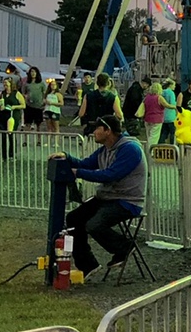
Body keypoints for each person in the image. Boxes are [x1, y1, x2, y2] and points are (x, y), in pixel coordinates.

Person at [53, 115, 146, 277]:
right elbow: (86, 164)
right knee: (74, 219)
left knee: (94, 225)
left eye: (97, 128)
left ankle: (124, 247)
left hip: (127, 201)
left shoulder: (130, 149)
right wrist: (66, 157)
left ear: (108, 131)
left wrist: (78, 173)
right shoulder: (105, 149)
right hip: (108, 198)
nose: (93, 132)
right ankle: (87, 265)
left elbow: (110, 175)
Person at [0, 76, 25, 159]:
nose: (5, 84)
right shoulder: (2, 93)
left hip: (12, 116)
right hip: (2, 116)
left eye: (6, 82)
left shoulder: (16, 93)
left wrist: (15, 107)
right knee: (3, 135)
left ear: (10, 83)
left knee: (11, 134)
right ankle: (4, 155)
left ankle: (12, 154)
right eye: (4, 83)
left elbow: (23, 105)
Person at [22, 67, 46, 131]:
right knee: (28, 123)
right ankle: (26, 137)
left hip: (39, 106)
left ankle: (38, 137)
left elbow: (44, 93)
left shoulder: (41, 83)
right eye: (32, 72)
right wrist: (26, 96)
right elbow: (23, 93)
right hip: (29, 105)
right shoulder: (27, 83)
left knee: (38, 124)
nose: (33, 73)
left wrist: (44, 101)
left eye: (35, 72)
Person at [142, 81, 165, 147]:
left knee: (149, 136)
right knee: (154, 138)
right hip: (157, 120)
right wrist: (174, 107)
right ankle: (150, 151)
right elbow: (166, 105)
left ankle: (147, 149)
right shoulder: (159, 97)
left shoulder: (147, 97)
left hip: (147, 119)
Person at [159, 78, 177, 146]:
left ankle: (160, 146)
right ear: (170, 85)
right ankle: (172, 146)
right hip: (171, 117)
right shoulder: (171, 93)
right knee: (173, 133)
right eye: (174, 85)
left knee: (164, 133)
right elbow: (172, 104)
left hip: (163, 116)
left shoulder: (162, 92)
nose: (175, 86)